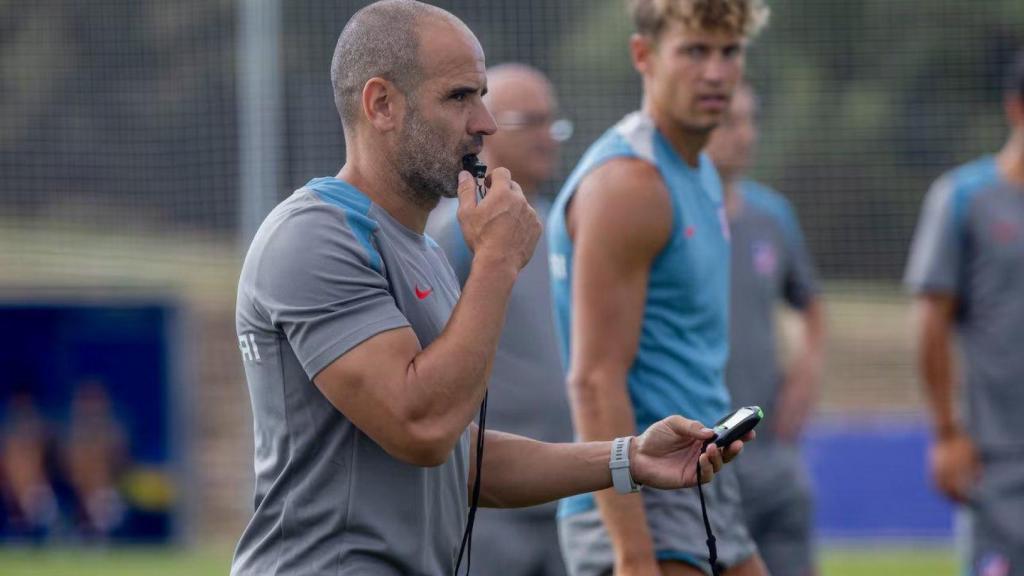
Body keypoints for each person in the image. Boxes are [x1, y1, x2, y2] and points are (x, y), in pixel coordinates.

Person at [230, 2, 748, 575]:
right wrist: (498, 262)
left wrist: (629, 458)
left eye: (481, 95)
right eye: (459, 97)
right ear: (381, 105)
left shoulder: (421, 248)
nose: (486, 123)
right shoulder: (312, 237)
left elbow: (460, 459)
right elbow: (420, 428)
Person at [548, 0, 772, 574]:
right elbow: (594, 380)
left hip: (700, 479)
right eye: (695, 51)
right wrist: (632, 554)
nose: (717, 72)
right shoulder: (629, 184)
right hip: (641, 499)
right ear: (643, 56)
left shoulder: (695, 167)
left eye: (729, 51)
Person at [426, 62, 574, 576]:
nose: (547, 137)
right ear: (486, 128)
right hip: (488, 496)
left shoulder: (568, 227)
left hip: (571, 489)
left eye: (552, 122)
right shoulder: (455, 232)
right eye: (529, 122)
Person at [905, 49, 1024, 576]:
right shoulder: (964, 198)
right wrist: (948, 432)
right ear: (1016, 108)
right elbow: (932, 323)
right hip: (997, 457)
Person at [705, 83, 825, 576]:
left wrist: (806, 376)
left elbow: (812, 307)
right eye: (732, 122)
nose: (746, 135)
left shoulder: (771, 215)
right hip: (699, 461)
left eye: (752, 120)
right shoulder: (657, 214)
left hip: (771, 453)